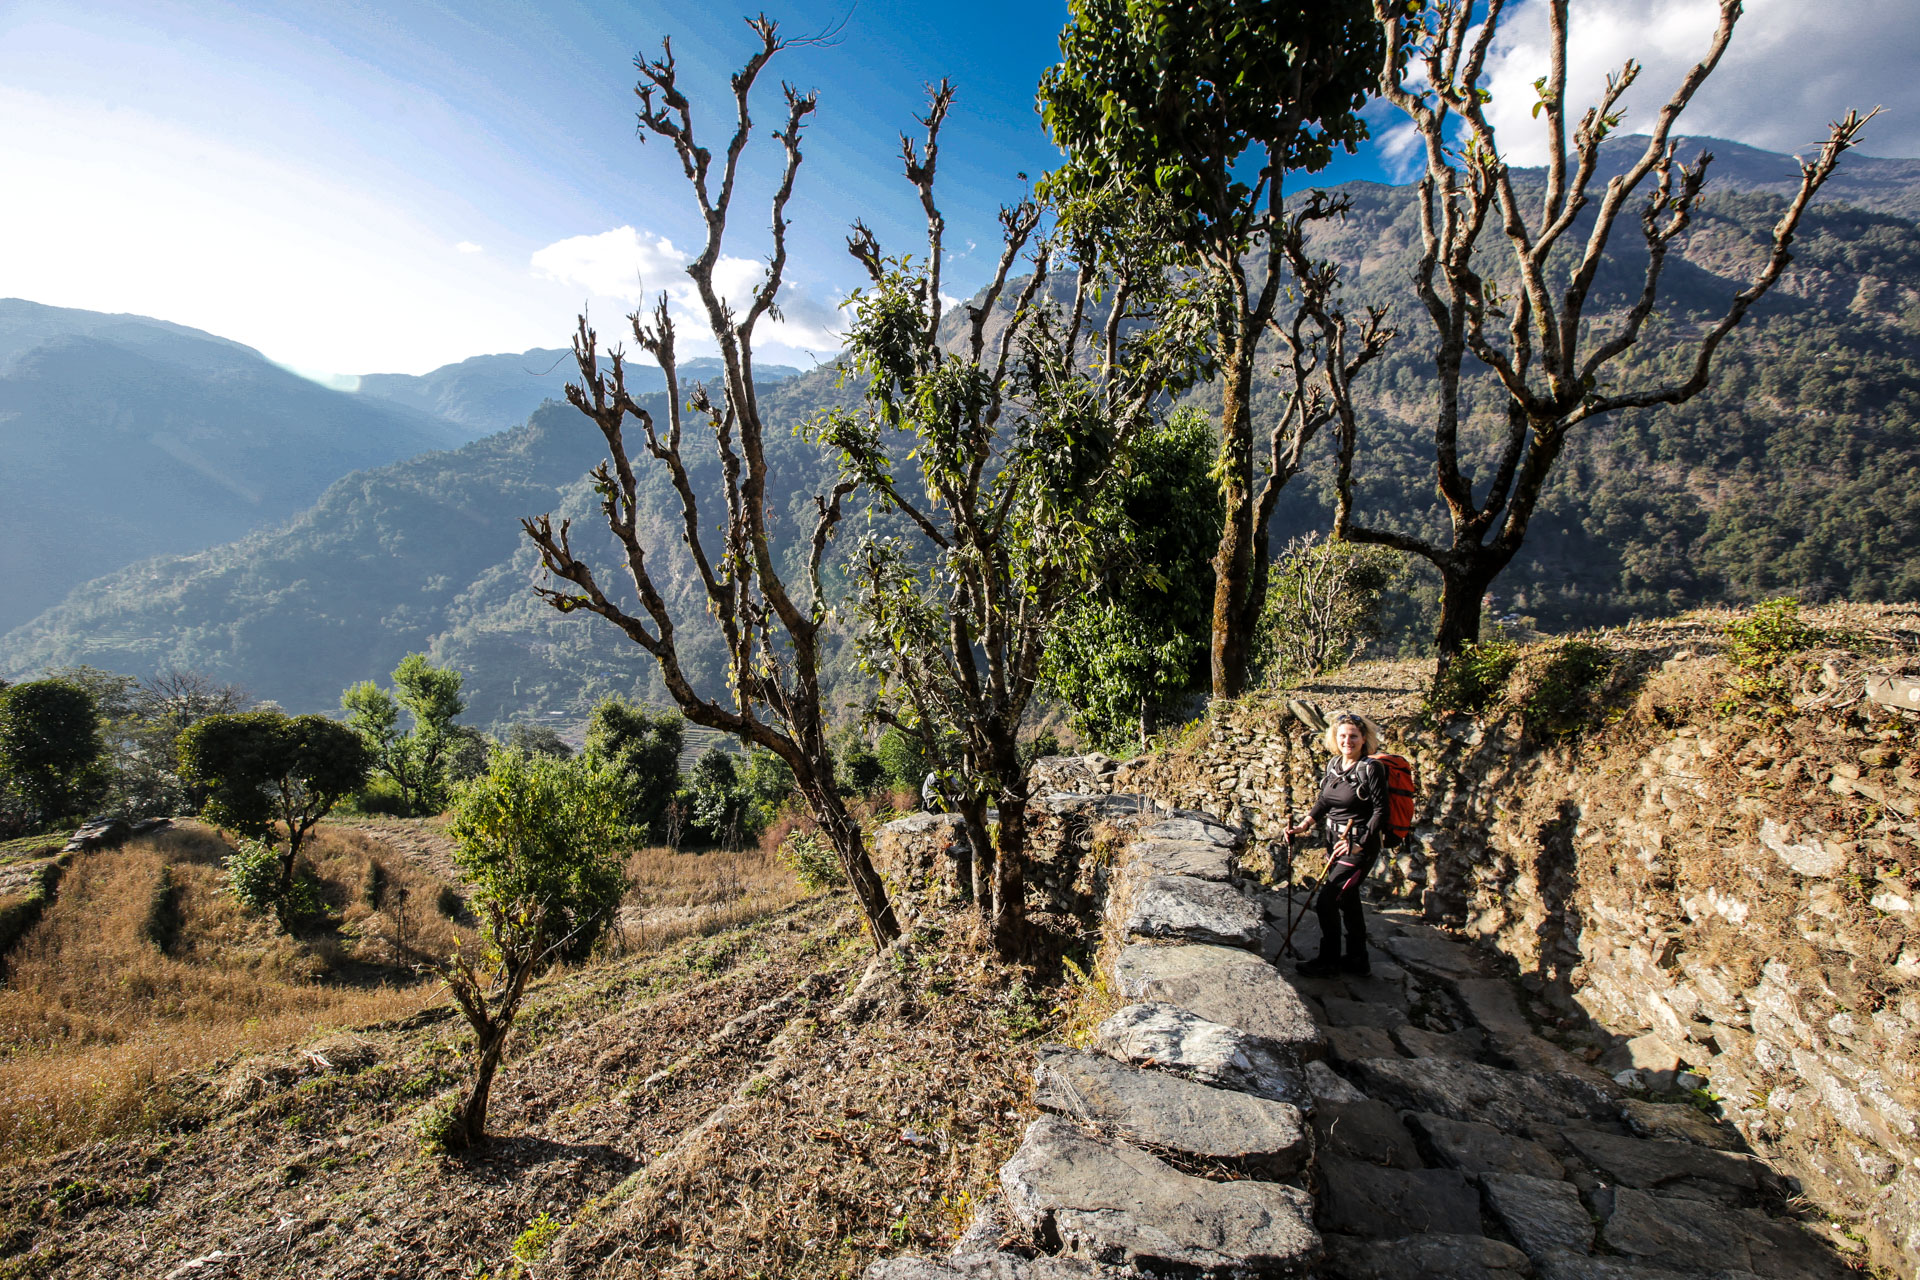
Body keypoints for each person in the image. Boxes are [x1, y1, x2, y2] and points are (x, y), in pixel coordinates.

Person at [1285, 710, 1386, 977]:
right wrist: (1304, 825)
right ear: (1334, 737)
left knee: (1326, 901)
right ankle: (1357, 959)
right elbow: (1324, 801)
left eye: (1353, 736)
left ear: (1364, 738)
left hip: (1357, 847)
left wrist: (1359, 844)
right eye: (1342, 736)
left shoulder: (1371, 769)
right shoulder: (1334, 766)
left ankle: (1329, 960)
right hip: (1334, 842)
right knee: (1348, 899)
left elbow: (1380, 811)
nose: (1347, 741)